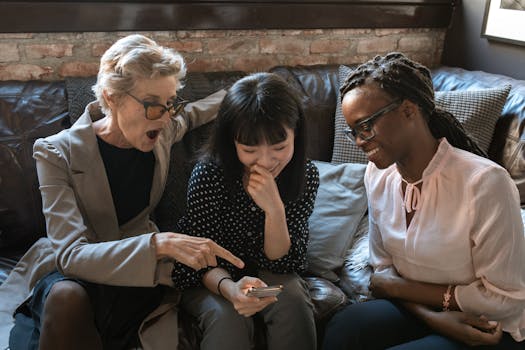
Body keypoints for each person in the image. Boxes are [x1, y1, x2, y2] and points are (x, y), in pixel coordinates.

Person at [3, 34, 244, 350]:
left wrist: (250, 88)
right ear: (111, 96)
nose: (167, 115)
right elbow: (71, 255)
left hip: (137, 277)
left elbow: (195, 113)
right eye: (154, 105)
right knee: (66, 298)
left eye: (170, 103)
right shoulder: (55, 153)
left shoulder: (162, 129)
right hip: (78, 275)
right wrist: (159, 244)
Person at [322, 52, 525, 349]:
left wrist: (399, 289)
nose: (359, 141)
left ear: (408, 110)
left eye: (365, 127)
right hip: (420, 310)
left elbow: (508, 299)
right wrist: (434, 317)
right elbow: (383, 273)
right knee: (345, 327)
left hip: (486, 323)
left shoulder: (484, 183)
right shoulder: (377, 176)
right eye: (352, 132)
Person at [175, 72, 319, 350]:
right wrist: (230, 289)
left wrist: (274, 209)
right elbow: (198, 260)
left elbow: (284, 265)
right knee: (227, 316)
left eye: (279, 147)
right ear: (232, 143)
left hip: (269, 272)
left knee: (291, 299)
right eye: (249, 149)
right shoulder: (209, 174)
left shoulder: (305, 175)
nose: (265, 162)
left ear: (296, 136)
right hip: (212, 278)